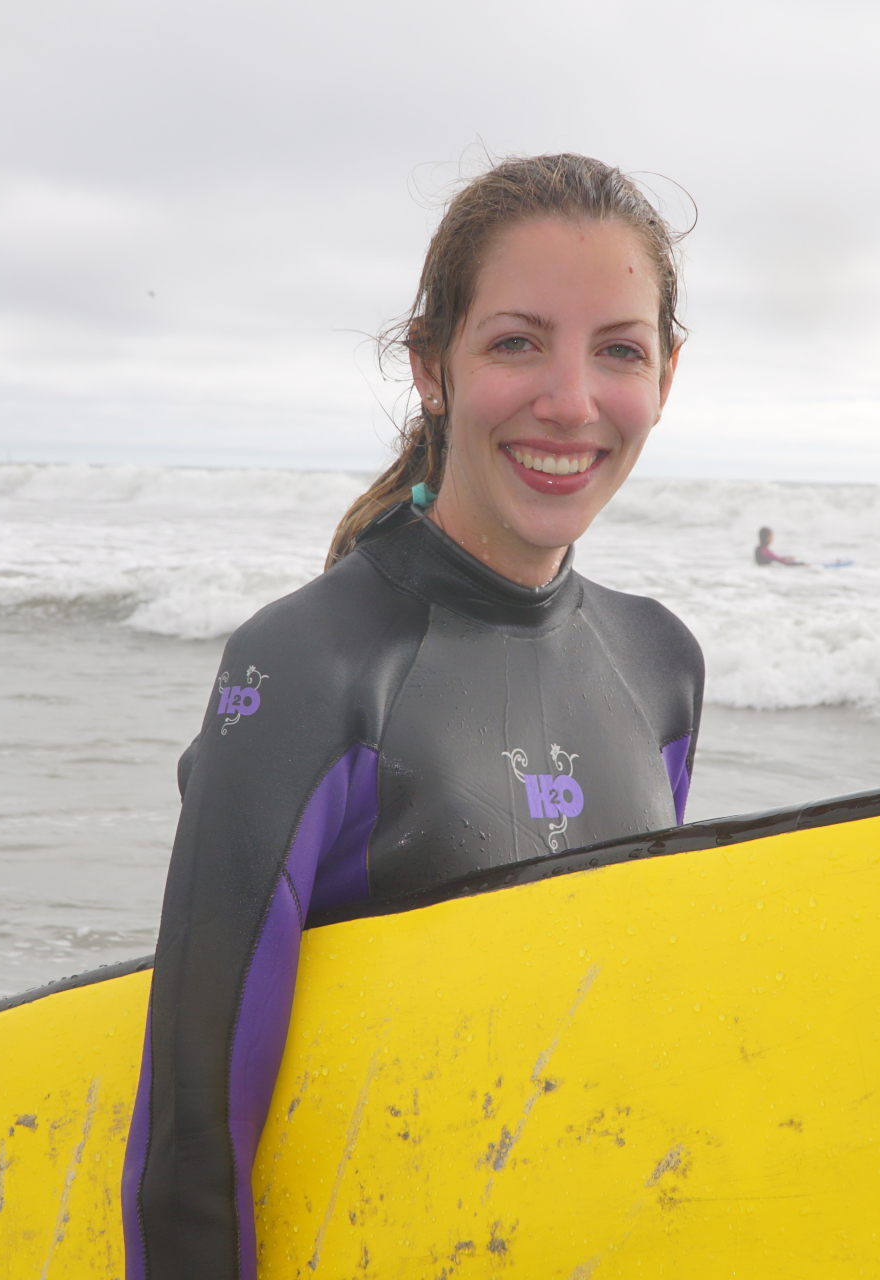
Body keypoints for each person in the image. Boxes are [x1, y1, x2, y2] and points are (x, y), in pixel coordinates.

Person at [121, 154, 704, 1280]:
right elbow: (194, 1127)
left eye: (619, 349)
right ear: (432, 365)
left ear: (667, 375)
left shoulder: (660, 665)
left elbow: (604, 1043)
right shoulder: (305, 667)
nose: (572, 401)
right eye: (517, 341)